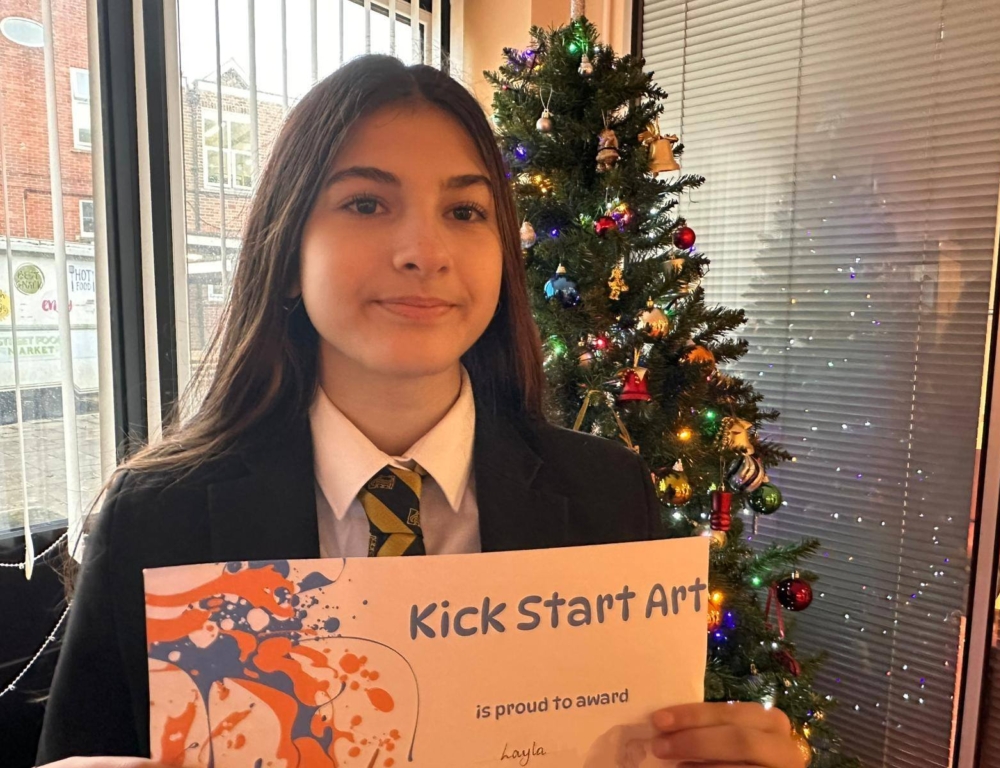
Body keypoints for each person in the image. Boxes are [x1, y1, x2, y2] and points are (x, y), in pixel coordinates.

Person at [35, 55, 810, 768]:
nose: (424, 251)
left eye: (465, 213)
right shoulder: (155, 520)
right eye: (367, 203)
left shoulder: (608, 496)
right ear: (288, 250)